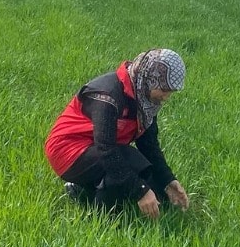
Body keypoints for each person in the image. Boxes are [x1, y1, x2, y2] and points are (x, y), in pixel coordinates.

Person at [45, 48, 190, 218]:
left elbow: (149, 146)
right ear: (150, 79)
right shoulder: (108, 95)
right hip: (66, 151)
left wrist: (167, 181)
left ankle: (84, 189)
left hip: (97, 150)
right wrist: (140, 190)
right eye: (164, 89)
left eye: (171, 92)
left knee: (154, 186)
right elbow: (106, 149)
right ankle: (101, 216)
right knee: (128, 160)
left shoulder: (145, 101)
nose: (166, 97)